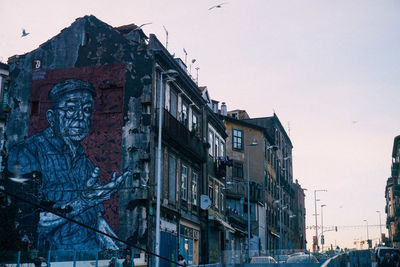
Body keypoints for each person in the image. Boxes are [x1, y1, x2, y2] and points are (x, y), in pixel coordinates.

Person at [7, 79, 131, 250]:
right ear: (51, 117)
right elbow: (29, 221)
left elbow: (98, 224)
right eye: (71, 108)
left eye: (87, 110)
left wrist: (123, 252)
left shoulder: (86, 164)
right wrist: (84, 201)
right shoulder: (27, 152)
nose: (80, 116)